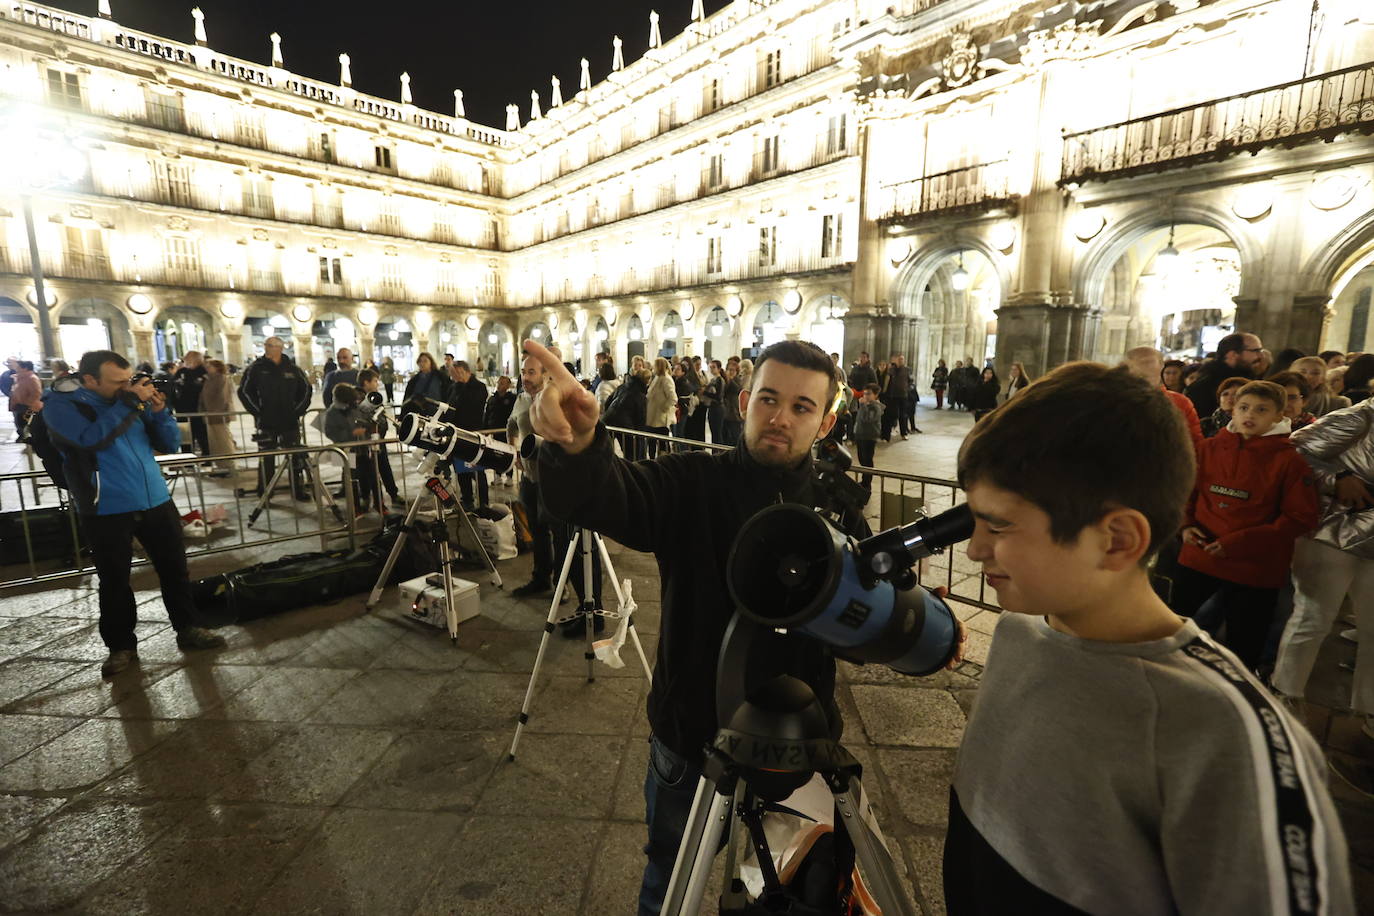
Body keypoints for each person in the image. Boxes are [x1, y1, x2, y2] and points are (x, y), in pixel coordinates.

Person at [525, 337, 964, 916]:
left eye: (802, 407)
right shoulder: (692, 483)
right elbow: (612, 497)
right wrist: (579, 446)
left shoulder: (840, 506)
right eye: (768, 399)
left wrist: (904, 626)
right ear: (743, 401)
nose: (780, 418)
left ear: (828, 421)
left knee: (800, 886)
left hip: (801, 739)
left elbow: (861, 621)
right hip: (692, 737)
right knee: (668, 874)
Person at [947, 360, 1351, 914]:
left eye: (999, 524)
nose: (973, 549)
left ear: (1117, 540)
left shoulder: (1226, 739)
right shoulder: (1019, 634)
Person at [43, 350, 226, 677]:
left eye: (128, 380)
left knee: (175, 569)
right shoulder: (63, 405)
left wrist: (159, 412)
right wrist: (127, 403)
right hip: (106, 505)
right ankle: (121, 646)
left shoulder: (128, 400)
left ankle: (189, 627)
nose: (126, 386)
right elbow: (89, 440)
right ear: (89, 380)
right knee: (114, 580)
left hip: (154, 497)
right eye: (117, 382)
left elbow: (170, 444)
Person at [1170, 380, 1319, 668]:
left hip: (1254, 567)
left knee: (1244, 641)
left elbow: (1300, 517)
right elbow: (1187, 492)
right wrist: (1186, 526)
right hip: (1199, 553)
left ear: (1279, 416)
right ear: (1233, 411)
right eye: (1244, 407)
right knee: (1175, 624)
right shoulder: (1209, 448)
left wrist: (1237, 543)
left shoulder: (1290, 460)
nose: (1250, 415)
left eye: (1262, 410)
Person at [1271, 395, 1374, 740]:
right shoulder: (1361, 417)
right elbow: (1293, 451)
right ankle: (1286, 694)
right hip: (1332, 533)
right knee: (1313, 617)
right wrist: (1337, 477)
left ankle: (1368, 709)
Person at [237, 336, 312, 500]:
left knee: (294, 457)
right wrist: (258, 412)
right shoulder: (256, 368)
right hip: (266, 422)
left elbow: (306, 390)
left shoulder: (293, 369)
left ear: (280, 348)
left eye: (271, 346)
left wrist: (297, 411)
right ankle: (264, 491)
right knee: (266, 458)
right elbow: (244, 391)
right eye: (267, 345)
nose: (267, 348)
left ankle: (297, 489)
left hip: (290, 422)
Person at [1124, 347, 1202, 450]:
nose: (1145, 366)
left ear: (1161, 366)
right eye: (1141, 362)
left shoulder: (1180, 402)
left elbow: (1195, 443)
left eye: (1149, 361)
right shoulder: (1115, 400)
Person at [323, 382, 375, 514]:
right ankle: (354, 506)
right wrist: (350, 434)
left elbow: (367, 422)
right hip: (343, 449)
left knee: (365, 476)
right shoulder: (331, 412)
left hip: (361, 448)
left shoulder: (355, 408)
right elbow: (330, 432)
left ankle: (366, 498)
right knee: (349, 479)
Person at [1184, 331, 1263, 418]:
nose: (1260, 356)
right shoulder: (1204, 387)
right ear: (1232, 354)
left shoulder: (1254, 381)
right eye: (1255, 351)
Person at [446, 360, 490, 509]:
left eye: (458, 372)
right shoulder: (454, 387)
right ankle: (467, 499)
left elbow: (473, 406)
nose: (455, 375)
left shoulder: (479, 387)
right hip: (457, 435)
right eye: (453, 373)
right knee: (461, 471)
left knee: (478, 472)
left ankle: (484, 502)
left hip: (473, 434)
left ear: (466, 371)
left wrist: (462, 388)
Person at [358, 368, 400, 504]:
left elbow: (382, 418)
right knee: (366, 472)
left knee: (384, 467)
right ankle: (368, 497)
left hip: (378, 439)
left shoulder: (375, 397)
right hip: (364, 443)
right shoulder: (358, 399)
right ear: (366, 382)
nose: (377, 383)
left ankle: (393, 493)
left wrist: (381, 431)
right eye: (375, 381)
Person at [199, 358, 238, 475]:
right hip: (210, 415)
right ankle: (220, 465)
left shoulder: (221, 378)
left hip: (218, 415)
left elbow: (222, 397)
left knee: (223, 440)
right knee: (214, 442)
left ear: (217, 367)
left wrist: (215, 412)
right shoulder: (209, 379)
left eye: (210, 366)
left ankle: (228, 466)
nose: (207, 368)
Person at [172, 351, 209, 454]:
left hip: (197, 409)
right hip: (182, 409)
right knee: (185, 436)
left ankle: (207, 457)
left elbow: (196, 387)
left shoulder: (203, 372)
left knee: (201, 434)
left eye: (187, 359)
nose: (185, 361)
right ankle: (187, 460)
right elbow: (174, 384)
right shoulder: (182, 371)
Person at [852, 383, 882, 493]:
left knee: (867, 460)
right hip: (860, 435)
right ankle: (864, 481)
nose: (865, 396)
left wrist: (863, 406)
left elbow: (867, 419)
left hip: (869, 436)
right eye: (864, 394)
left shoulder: (876, 407)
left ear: (875, 395)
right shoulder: (866, 405)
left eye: (868, 394)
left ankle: (867, 484)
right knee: (861, 458)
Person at [645, 357, 677, 460]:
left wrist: (664, 408)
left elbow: (673, 398)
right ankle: (652, 459)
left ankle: (663, 461)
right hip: (652, 416)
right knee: (651, 442)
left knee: (663, 443)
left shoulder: (666, 379)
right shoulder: (657, 378)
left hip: (660, 418)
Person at [881, 353, 910, 440]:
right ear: (896, 360)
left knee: (903, 415)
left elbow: (910, 381)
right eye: (899, 359)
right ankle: (887, 435)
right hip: (892, 395)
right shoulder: (891, 369)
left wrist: (907, 389)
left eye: (902, 359)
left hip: (903, 395)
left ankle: (903, 433)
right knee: (890, 415)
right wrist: (884, 391)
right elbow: (887, 380)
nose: (900, 361)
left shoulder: (907, 370)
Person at [10, 360, 42, 441]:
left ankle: (33, 444)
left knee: (28, 426)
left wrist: (27, 404)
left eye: (18, 367)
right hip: (19, 406)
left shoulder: (32, 378)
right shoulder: (20, 378)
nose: (16, 368)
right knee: (21, 425)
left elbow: (36, 393)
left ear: (25, 368)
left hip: (27, 407)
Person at [719, 363, 743, 447]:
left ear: (736, 371)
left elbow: (738, 389)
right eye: (728, 369)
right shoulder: (725, 379)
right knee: (725, 435)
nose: (730, 372)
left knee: (735, 435)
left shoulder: (738, 380)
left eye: (732, 370)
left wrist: (730, 379)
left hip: (734, 412)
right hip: (726, 411)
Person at [702, 359, 725, 444]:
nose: (712, 369)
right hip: (712, 408)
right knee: (713, 433)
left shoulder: (720, 380)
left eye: (714, 367)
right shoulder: (713, 380)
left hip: (718, 409)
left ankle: (718, 453)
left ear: (719, 369)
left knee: (717, 433)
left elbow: (718, 396)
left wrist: (705, 392)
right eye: (710, 367)